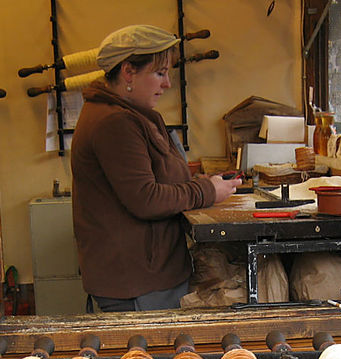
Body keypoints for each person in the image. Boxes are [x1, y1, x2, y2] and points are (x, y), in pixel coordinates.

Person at [71, 25, 241, 312]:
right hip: (137, 284)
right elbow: (145, 199)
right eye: (159, 73)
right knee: (147, 357)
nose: (167, 84)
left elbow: (162, 179)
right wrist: (207, 191)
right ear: (128, 72)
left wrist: (203, 183)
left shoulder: (134, 116)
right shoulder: (115, 123)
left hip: (146, 275)